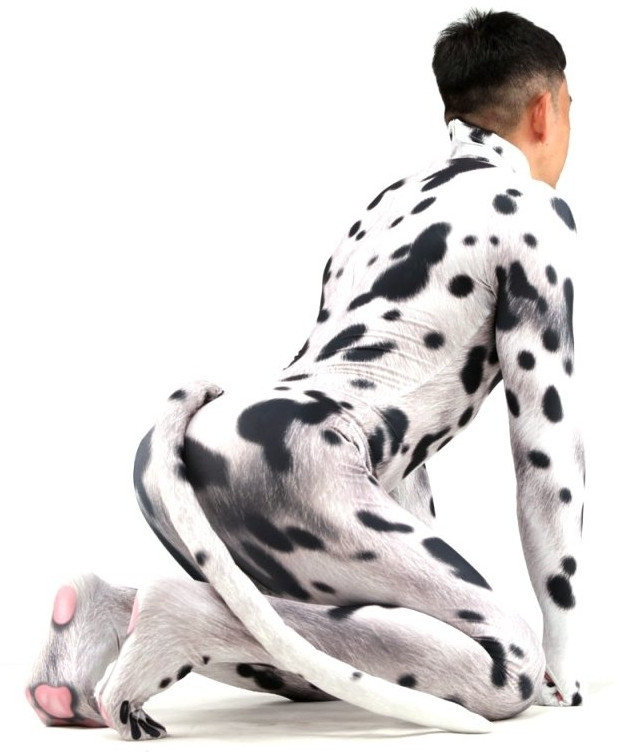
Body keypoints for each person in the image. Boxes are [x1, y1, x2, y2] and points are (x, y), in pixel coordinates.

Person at [27, 8, 584, 740]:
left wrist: (421, 601)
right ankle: (184, 617)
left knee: (350, 649)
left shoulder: (385, 209)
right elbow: (545, 447)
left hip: (198, 444)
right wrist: (559, 653)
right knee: (503, 669)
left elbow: (382, 421)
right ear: (543, 110)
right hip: (308, 458)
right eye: (571, 108)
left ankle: (111, 613)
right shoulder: (532, 212)